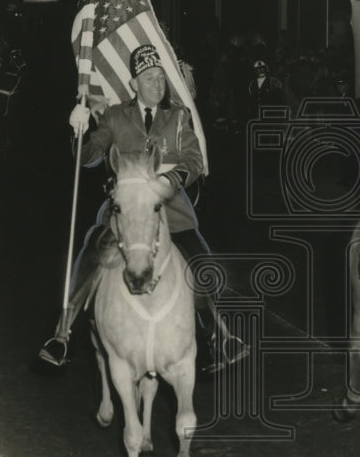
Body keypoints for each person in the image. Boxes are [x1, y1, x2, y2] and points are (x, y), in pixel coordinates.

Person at [39, 44, 246, 372]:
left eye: (160, 78)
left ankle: (217, 336)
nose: (157, 84)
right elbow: (90, 157)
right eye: (149, 78)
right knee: (92, 254)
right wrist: (78, 132)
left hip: (172, 209)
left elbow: (193, 158)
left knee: (202, 265)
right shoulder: (114, 116)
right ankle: (62, 335)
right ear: (134, 83)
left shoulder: (178, 117)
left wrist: (173, 180)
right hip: (125, 214)